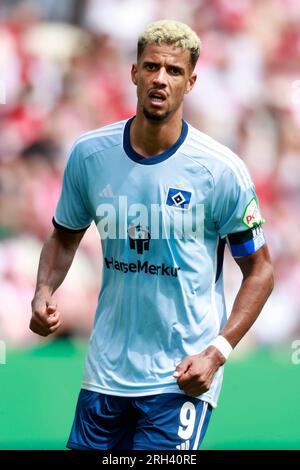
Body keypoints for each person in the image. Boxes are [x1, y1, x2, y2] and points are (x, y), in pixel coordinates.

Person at [30, 20, 274, 450]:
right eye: (152, 66)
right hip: (104, 374)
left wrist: (217, 352)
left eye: (174, 71)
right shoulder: (90, 154)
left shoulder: (220, 170)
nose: (161, 78)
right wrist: (43, 290)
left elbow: (260, 271)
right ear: (134, 73)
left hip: (181, 378)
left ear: (191, 82)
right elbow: (64, 236)